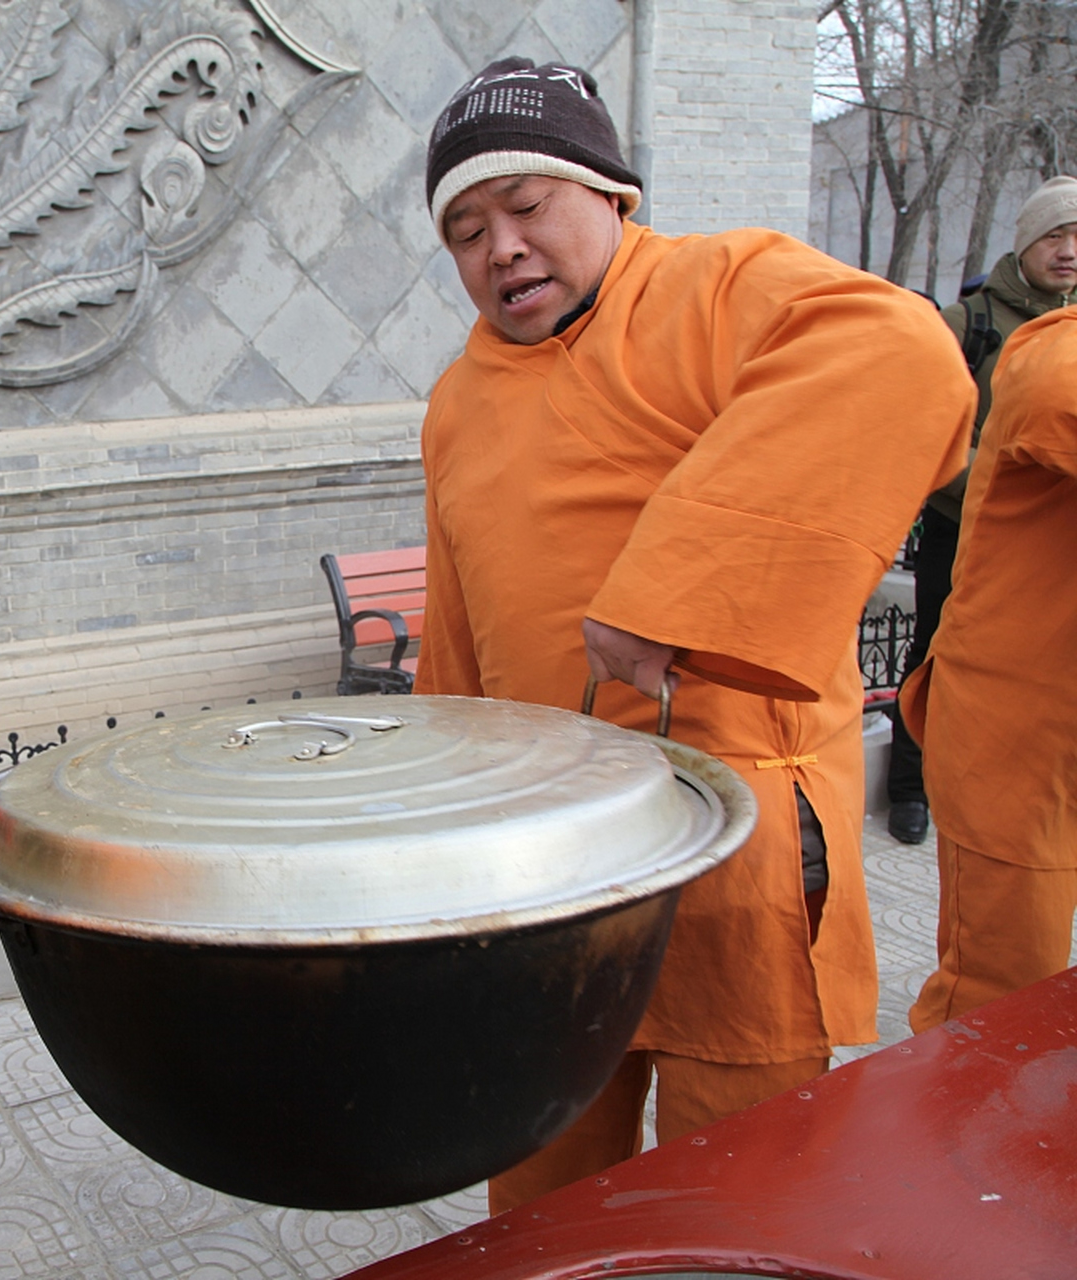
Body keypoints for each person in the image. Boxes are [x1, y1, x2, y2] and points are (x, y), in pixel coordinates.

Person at [413, 57, 974, 1213]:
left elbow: (900, 355)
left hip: (738, 842)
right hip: (550, 866)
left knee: (748, 1189)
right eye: (466, 230)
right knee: (544, 1179)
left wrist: (668, 590)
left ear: (610, 196)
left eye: (526, 206)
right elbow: (456, 627)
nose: (500, 248)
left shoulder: (716, 287)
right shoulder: (457, 399)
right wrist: (439, 821)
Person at [901, 298, 1077, 1033]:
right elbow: (1049, 392)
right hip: (1021, 736)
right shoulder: (1053, 349)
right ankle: (965, 1143)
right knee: (1000, 1001)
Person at [886, 177, 1077, 844]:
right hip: (962, 527)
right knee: (934, 648)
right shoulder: (968, 323)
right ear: (1026, 242)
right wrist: (988, 491)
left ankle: (1015, 784)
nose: (1069, 250)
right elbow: (924, 423)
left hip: (1051, 541)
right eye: (1056, 234)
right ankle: (914, 789)